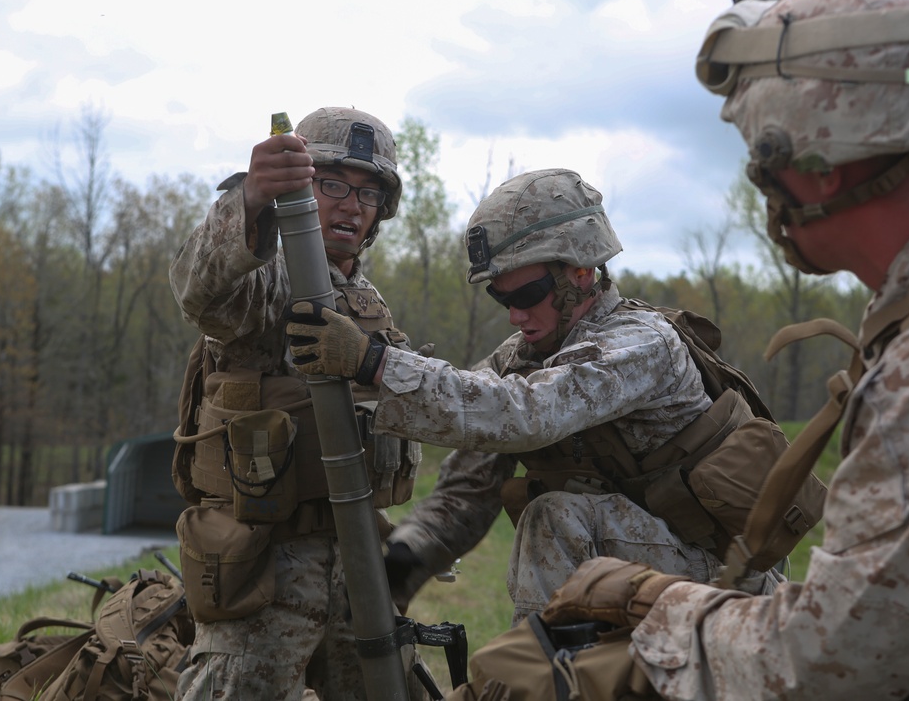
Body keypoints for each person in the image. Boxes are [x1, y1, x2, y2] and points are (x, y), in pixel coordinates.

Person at [536, 0, 909, 698]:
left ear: (820, 160)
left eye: (761, 157)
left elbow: (831, 661)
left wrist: (652, 600)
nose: (759, 185)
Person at [286, 167, 787, 627]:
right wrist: (407, 559)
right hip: (637, 568)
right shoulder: (525, 356)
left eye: (525, 296)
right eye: (501, 299)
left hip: (721, 577)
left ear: (582, 273)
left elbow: (524, 414)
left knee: (553, 517)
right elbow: (471, 483)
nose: (515, 316)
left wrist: (374, 363)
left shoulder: (642, 343)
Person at [169, 107, 428, 700]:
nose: (351, 205)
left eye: (368, 192)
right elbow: (200, 292)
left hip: (357, 554)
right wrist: (252, 201)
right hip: (265, 564)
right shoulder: (268, 274)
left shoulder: (365, 297)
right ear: (303, 188)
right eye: (332, 184)